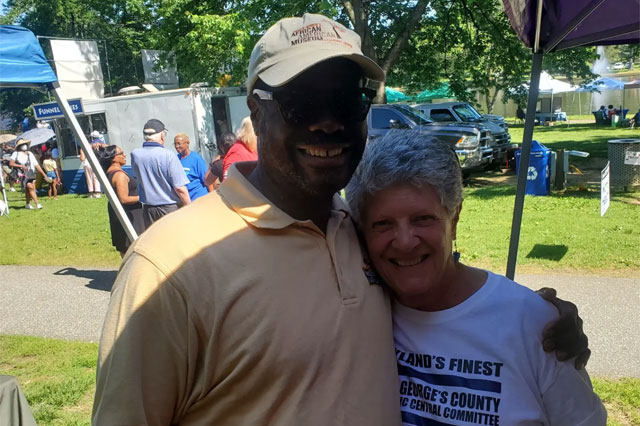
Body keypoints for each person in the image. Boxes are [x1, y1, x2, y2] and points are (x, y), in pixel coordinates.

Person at [93, 14, 589, 425]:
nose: (327, 122)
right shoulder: (167, 268)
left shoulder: (356, 228)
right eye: (302, 102)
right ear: (257, 112)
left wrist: (538, 320)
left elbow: (442, 295)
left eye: (347, 101)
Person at [346, 131, 606, 425]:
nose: (405, 242)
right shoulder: (357, 313)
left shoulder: (536, 326)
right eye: (383, 224)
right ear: (362, 232)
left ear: (453, 219)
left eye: (423, 219)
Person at [130, 119, 191, 228]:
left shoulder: (136, 155)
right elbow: (180, 188)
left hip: (148, 209)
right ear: (162, 135)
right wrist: (189, 208)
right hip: (169, 208)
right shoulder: (168, 155)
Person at [97, 145, 145, 257]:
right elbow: (124, 199)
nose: (124, 155)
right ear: (114, 158)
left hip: (118, 213)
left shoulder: (109, 172)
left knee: (125, 247)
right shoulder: (119, 175)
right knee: (132, 246)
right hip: (129, 214)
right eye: (121, 153)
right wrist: (143, 198)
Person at [9, 138, 49, 209]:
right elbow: (11, 163)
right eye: (22, 144)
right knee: (30, 187)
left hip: (30, 173)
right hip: (21, 174)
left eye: (25, 144)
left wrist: (44, 174)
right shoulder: (16, 153)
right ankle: (37, 204)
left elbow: (36, 165)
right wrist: (21, 166)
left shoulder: (30, 154)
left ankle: (27, 204)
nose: (24, 146)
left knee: (30, 189)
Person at [174, 133, 209, 201]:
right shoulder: (176, 159)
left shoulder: (196, 159)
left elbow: (206, 179)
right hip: (186, 198)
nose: (176, 146)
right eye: (175, 144)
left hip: (198, 197)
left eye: (179, 143)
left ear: (187, 143)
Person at [80, 133, 104, 198]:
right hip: (96, 162)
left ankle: (91, 193)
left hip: (87, 163)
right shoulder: (95, 145)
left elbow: (82, 158)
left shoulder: (83, 148)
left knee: (89, 178)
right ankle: (98, 193)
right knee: (96, 177)